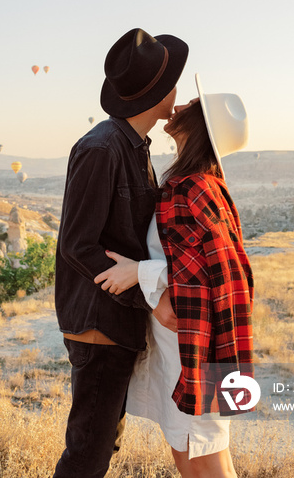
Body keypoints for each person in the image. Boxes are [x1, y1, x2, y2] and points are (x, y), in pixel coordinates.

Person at [95, 74, 254, 478]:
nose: (180, 105)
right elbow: (190, 260)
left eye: (192, 106)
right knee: (186, 452)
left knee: (207, 456)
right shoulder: (186, 182)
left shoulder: (195, 187)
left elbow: (221, 269)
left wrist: (139, 273)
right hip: (179, 342)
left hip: (195, 345)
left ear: (200, 126)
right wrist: (154, 288)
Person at [53, 28, 188, 478]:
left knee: (100, 446)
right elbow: (78, 244)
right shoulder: (101, 149)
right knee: (88, 453)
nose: (178, 89)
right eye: (173, 81)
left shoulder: (136, 147)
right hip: (100, 324)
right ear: (156, 93)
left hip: (117, 324)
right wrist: (145, 293)